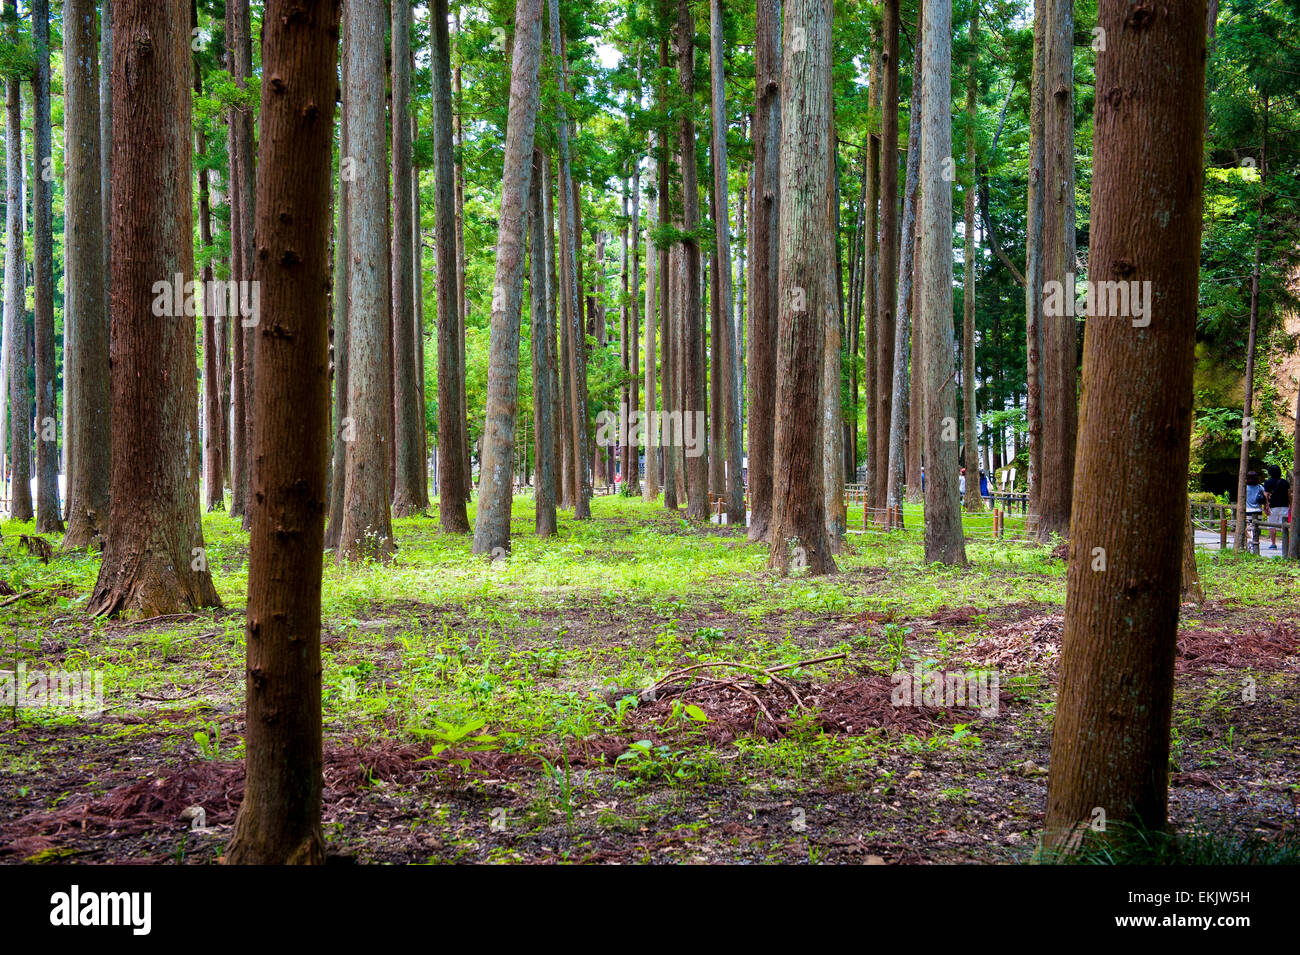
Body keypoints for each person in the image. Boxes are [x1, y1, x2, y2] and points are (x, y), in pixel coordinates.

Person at [1264, 463, 1290, 550]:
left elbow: (1266, 496)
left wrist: (1265, 507)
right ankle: (1285, 543)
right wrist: (1292, 505)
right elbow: (1289, 495)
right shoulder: (1285, 482)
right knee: (1284, 525)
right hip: (1284, 506)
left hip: (1273, 506)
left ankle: (1273, 543)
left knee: (1272, 525)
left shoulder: (1268, 482)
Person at [1244, 470, 1268, 554]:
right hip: (1258, 511)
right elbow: (1265, 498)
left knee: (1249, 528)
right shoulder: (1260, 487)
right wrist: (1266, 507)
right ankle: (1254, 543)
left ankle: (1252, 542)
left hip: (1248, 511)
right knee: (1256, 529)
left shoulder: (1244, 487)